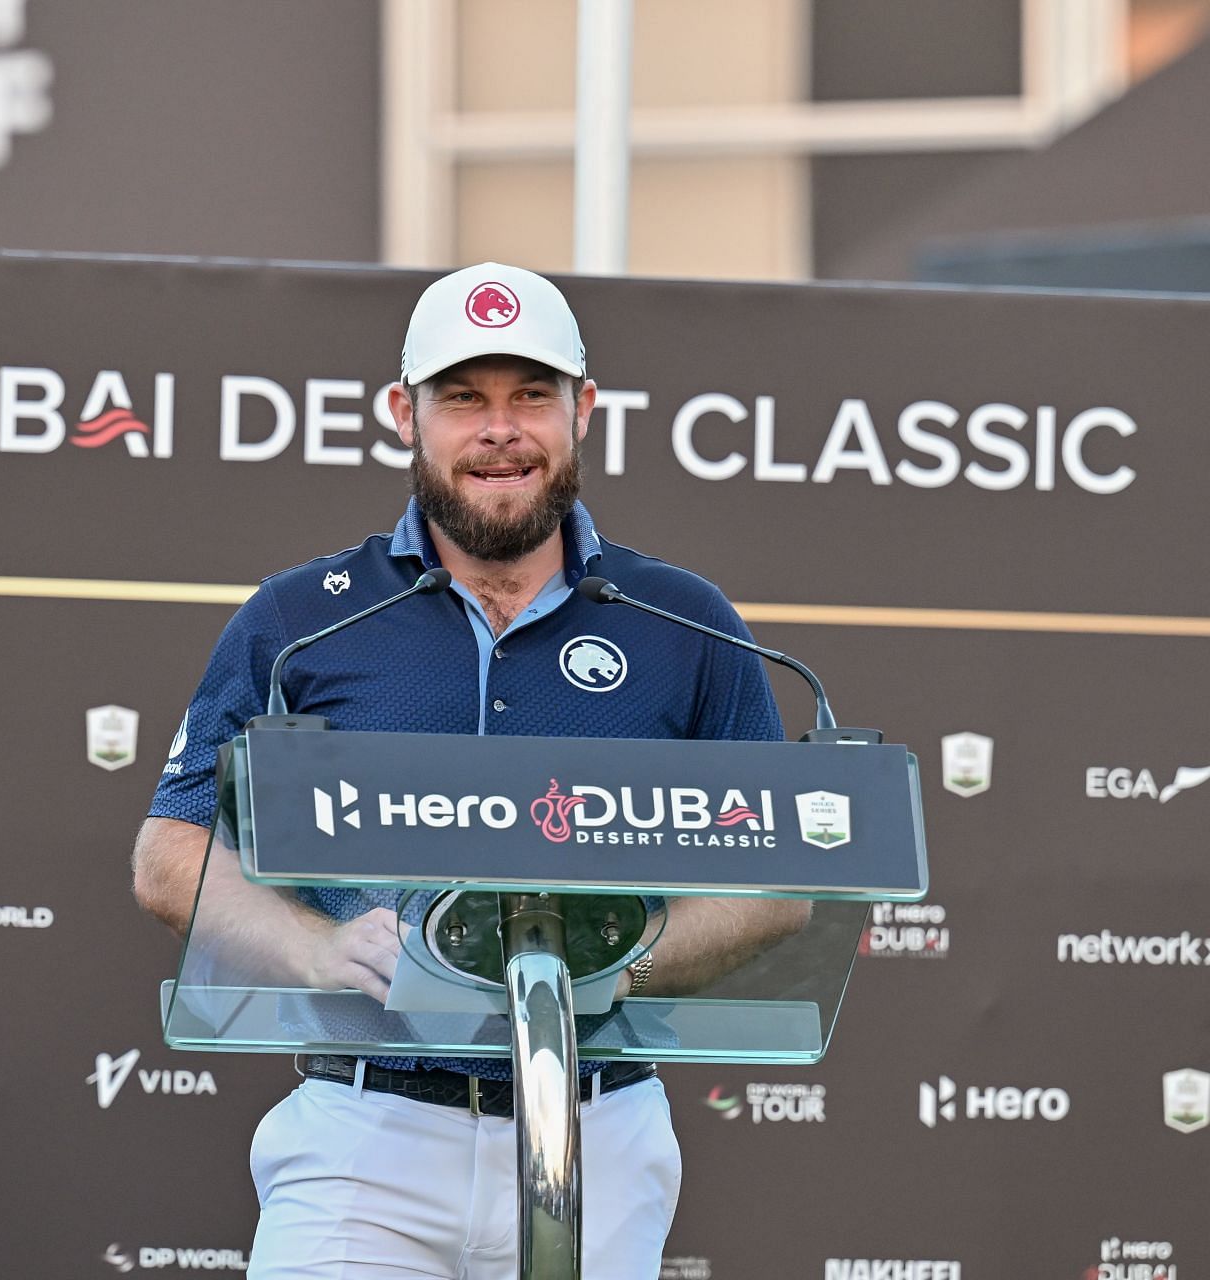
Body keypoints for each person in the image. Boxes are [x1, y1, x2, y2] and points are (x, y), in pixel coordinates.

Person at [132, 263, 809, 1280]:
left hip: (599, 1130)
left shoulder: (684, 620)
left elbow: (777, 878)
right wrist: (316, 948)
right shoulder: (300, 617)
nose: (501, 429)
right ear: (405, 414)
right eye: (465, 398)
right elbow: (172, 852)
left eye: (531, 395)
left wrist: (614, 965)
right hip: (365, 1133)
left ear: (585, 411)